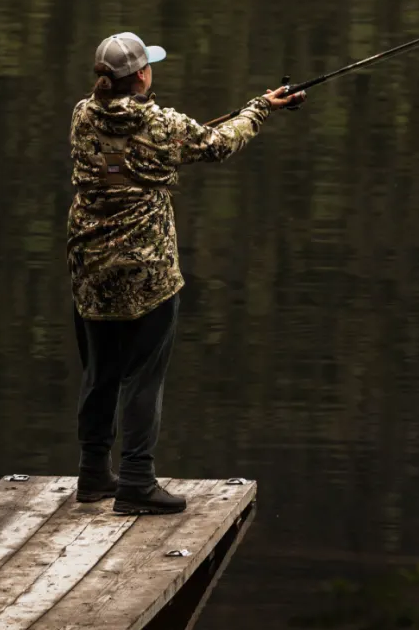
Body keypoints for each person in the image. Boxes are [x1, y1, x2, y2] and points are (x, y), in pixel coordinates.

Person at [65, 31, 304, 514]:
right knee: (142, 378)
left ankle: (94, 474)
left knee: (100, 371)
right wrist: (261, 108)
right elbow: (217, 145)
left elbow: (126, 150)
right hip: (147, 274)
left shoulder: (81, 115)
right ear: (141, 76)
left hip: (89, 269)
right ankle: (135, 480)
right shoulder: (162, 124)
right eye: (149, 65)